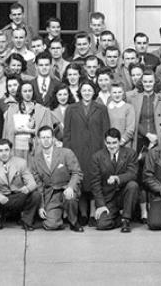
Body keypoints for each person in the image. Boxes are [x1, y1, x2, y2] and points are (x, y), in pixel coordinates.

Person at [63, 80, 110, 224]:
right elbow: (67, 133)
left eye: (90, 90)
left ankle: (92, 213)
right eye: (84, 90)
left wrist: (104, 151)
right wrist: (68, 152)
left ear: (94, 92)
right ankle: (82, 213)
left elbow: (106, 131)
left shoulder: (101, 108)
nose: (87, 93)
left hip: (96, 150)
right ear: (79, 92)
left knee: (94, 180)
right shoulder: (71, 109)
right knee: (80, 181)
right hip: (77, 151)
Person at [29, 126, 83, 232]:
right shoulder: (35, 159)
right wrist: (41, 206)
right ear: (39, 140)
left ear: (53, 138)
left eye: (48, 137)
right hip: (52, 194)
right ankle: (58, 217)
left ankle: (73, 221)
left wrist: (71, 187)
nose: (46, 140)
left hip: (66, 189)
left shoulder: (66, 153)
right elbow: (39, 184)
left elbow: (77, 173)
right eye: (43, 137)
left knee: (69, 198)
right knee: (51, 225)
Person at [0, 138, 40, 231]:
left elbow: (32, 183)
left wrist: (27, 188)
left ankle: (26, 221)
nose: (4, 153)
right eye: (1, 150)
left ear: (11, 151)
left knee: (35, 195)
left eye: (6, 150)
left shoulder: (21, 162)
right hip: (1, 198)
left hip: (17, 197)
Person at [89, 127, 139, 232]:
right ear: (105, 142)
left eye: (114, 143)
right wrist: (101, 205)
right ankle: (118, 218)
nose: (111, 146)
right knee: (102, 225)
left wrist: (117, 178)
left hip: (124, 196)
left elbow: (133, 174)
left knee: (133, 185)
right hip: (108, 199)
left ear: (120, 141)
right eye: (109, 143)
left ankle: (126, 219)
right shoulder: (97, 157)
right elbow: (95, 184)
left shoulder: (130, 154)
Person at [4, 81, 53, 158]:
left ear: (33, 92)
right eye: (25, 91)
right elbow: (6, 131)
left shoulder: (42, 110)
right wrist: (15, 130)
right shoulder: (12, 109)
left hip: (34, 147)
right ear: (20, 92)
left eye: (30, 91)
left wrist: (30, 131)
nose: (27, 93)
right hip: (16, 147)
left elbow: (47, 131)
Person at [106, 82, 135, 149]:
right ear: (110, 93)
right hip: (109, 146)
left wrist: (120, 141)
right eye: (114, 92)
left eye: (119, 92)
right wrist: (110, 143)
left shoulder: (129, 108)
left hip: (124, 145)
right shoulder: (106, 108)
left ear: (123, 93)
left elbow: (130, 129)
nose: (117, 95)